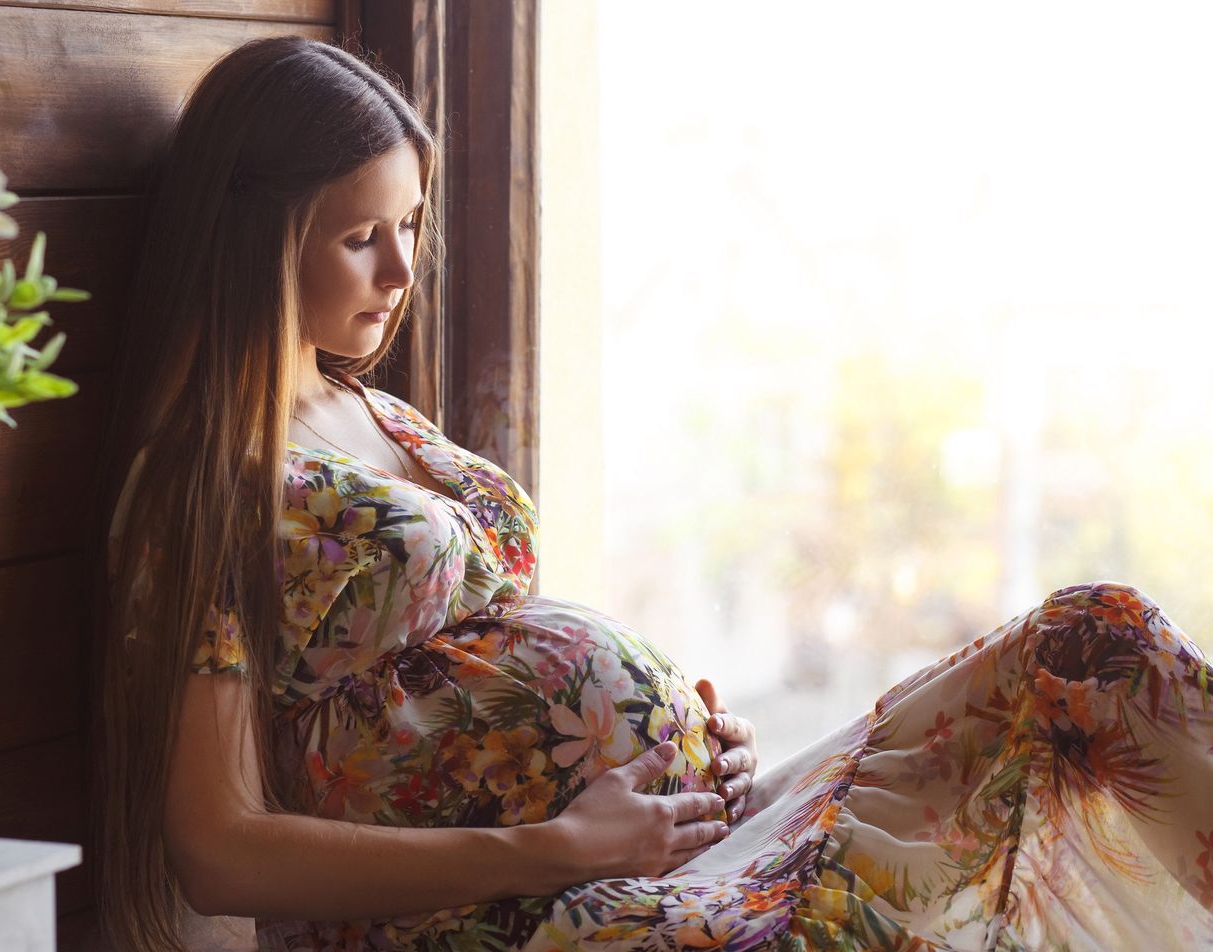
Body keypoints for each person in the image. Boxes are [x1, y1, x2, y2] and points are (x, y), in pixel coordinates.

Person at [91, 35, 1213, 952]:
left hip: (646, 860)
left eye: (413, 226)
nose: (401, 271)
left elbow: (496, 669)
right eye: (359, 237)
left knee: (1084, 640)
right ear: (256, 240)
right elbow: (218, 844)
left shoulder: (372, 412)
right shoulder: (201, 485)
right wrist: (559, 845)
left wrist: (685, 743)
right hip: (527, 914)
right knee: (1076, 666)